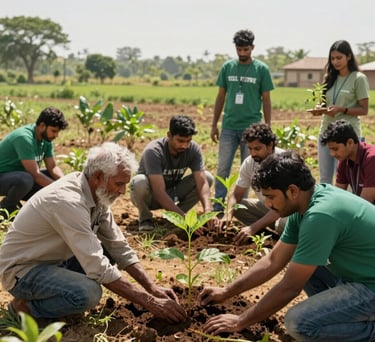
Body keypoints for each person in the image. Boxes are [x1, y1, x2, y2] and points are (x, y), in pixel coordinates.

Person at [0, 142, 186, 323]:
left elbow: (118, 246)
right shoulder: (68, 201)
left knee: (108, 251)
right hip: (23, 271)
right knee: (88, 293)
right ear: (98, 177)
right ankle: (26, 308)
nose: (122, 191)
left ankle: (55, 298)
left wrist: (152, 289)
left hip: (53, 261)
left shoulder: (97, 194)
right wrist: (150, 302)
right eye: (119, 184)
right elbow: (97, 267)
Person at [199, 151, 375, 341]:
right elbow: (274, 260)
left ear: (292, 191)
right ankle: (341, 315)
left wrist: (240, 321)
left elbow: (290, 287)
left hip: (370, 285)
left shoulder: (320, 216)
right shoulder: (305, 206)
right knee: (301, 262)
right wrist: (227, 291)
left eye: (271, 196)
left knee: (298, 323)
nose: (267, 204)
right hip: (358, 275)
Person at [211, 29, 274, 211]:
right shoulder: (227, 67)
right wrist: (214, 124)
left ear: (252, 48)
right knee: (223, 168)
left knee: (248, 169)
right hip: (229, 127)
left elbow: (267, 99)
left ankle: (241, 208)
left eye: (246, 49)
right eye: (239, 49)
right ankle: (218, 208)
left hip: (252, 129)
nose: (242, 53)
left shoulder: (261, 69)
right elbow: (220, 97)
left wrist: (267, 126)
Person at [130, 115, 215, 232]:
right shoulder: (154, 151)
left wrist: (208, 210)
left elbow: (202, 182)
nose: (185, 145)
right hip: (151, 195)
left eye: (188, 141)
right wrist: (184, 219)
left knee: (208, 177)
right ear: (169, 135)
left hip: (173, 192)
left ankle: (176, 216)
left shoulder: (193, 149)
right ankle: (145, 218)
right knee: (139, 182)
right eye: (180, 141)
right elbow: (159, 192)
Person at [219, 123, 286, 245]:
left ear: (270, 145)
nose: (253, 153)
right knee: (238, 207)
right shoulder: (250, 163)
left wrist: (253, 227)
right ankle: (269, 237)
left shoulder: (284, 162)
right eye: (250, 149)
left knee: (283, 225)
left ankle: (285, 239)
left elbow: (283, 205)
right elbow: (236, 195)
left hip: (289, 212)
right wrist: (227, 215)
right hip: (269, 208)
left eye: (257, 148)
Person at [317, 40, 369, 184]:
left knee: (348, 179)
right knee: (325, 179)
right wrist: (320, 108)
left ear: (349, 57)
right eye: (332, 58)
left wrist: (342, 109)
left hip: (348, 136)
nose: (335, 62)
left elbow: (364, 110)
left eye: (339, 58)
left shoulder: (358, 78)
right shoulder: (329, 78)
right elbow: (324, 102)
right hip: (326, 132)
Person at [0, 107, 68, 214]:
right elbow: (35, 174)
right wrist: (59, 189)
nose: (56, 135)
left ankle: (33, 208)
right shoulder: (24, 138)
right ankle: (6, 207)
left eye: (58, 132)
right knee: (26, 179)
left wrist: (66, 183)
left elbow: (53, 168)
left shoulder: (46, 140)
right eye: (54, 131)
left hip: (17, 177)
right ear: (42, 126)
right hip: (4, 177)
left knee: (49, 177)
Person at [321, 119, 375, 203]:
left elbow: (365, 204)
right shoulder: (344, 159)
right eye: (330, 149)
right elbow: (338, 195)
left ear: (350, 143)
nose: (332, 154)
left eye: (335, 149)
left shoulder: (372, 159)